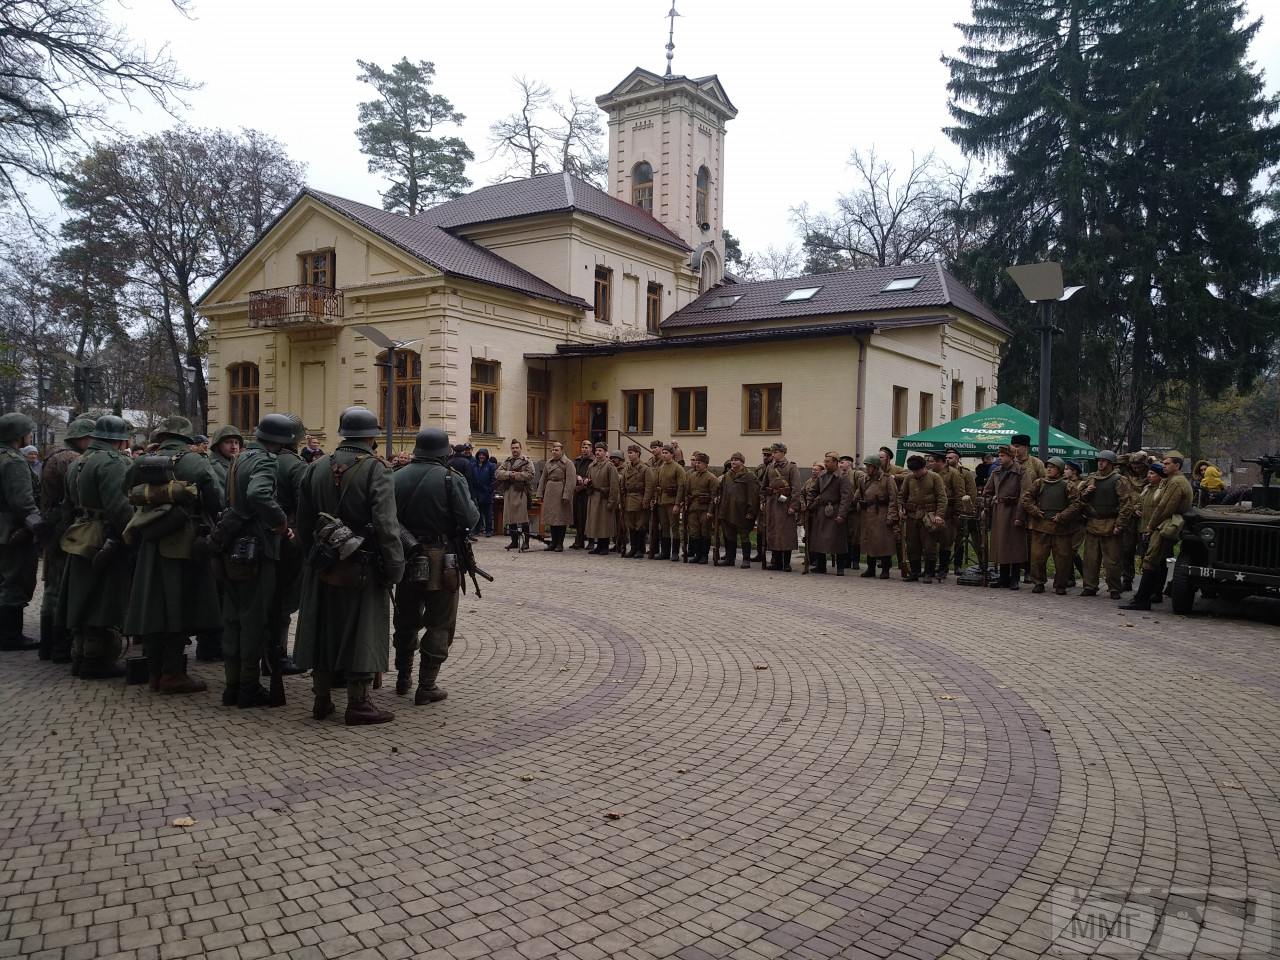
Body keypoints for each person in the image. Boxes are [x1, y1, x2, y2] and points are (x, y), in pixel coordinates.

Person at [295, 406, 405, 725]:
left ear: (344, 434)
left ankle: (321, 699)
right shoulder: (377, 469)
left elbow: (303, 523)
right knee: (363, 629)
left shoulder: (314, 468)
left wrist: (313, 557)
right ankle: (358, 704)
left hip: (323, 563)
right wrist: (394, 566)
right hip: (363, 565)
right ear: (371, 436)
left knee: (323, 627)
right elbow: (386, 524)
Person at [122, 416, 223, 693]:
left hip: (150, 540)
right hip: (184, 542)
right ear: (187, 438)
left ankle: (155, 673)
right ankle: (173, 673)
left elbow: (125, 491)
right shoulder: (196, 462)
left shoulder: (142, 461)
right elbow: (216, 499)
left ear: (162, 436)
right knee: (179, 606)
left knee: (153, 606)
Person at [392, 427, 478, 704]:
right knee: (440, 622)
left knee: (405, 619)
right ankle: (426, 685)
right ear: (443, 453)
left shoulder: (396, 477)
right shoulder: (451, 479)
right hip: (443, 560)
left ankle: (403, 677)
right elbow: (470, 519)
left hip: (406, 556)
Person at [218, 414, 296, 708]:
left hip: (231, 544)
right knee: (253, 619)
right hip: (256, 547)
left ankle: (232, 685)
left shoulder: (241, 457)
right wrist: (280, 523)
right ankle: (249, 687)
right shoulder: (266, 460)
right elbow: (259, 493)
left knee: (233, 618)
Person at [60, 415, 135, 677]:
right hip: (105, 536)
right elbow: (119, 507)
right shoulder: (112, 462)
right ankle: (97, 659)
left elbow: (68, 503)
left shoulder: (78, 462)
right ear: (119, 439)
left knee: (83, 595)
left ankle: (80, 655)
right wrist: (132, 534)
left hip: (80, 533)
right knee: (103, 597)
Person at [37, 417, 95, 661]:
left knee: (52, 585)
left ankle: (49, 644)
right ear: (83, 438)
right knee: (61, 586)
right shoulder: (71, 459)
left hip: (53, 525)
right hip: (64, 527)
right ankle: (60, 645)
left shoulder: (54, 455)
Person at [1121, 451, 1193, 611]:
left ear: (1177, 465)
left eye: (1167, 463)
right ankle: (1143, 597)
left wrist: (1151, 526)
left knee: (1151, 560)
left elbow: (1164, 507)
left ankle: (1142, 599)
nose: (1164, 466)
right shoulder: (1175, 481)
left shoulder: (1176, 482)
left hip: (1164, 524)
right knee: (1152, 560)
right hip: (1164, 523)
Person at [266, 413, 307, 676]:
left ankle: (264, 653)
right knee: (283, 600)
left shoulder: (250, 459)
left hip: (258, 538)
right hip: (287, 538)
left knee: (266, 598)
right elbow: (306, 505)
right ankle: (277, 655)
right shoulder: (295, 465)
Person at [0, 413, 44, 650]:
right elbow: (22, 502)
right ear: (18, 434)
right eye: (28, 430)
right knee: (15, 580)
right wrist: (38, 524)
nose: (30, 435)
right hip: (13, 529)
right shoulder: (14, 461)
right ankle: (10, 636)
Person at [1077, 450, 1137, 599]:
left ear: (1111, 464)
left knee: (1112, 561)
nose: (1100, 463)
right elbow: (1079, 500)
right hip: (1093, 522)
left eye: (1104, 461)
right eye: (1099, 461)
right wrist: (1086, 493)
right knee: (1090, 559)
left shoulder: (1119, 480)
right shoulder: (1091, 478)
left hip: (1111, 523)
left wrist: (1120, 524)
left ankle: (1114, 588)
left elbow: (1126, 504)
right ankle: (1089, 586)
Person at [1020, 456, 1082, 594]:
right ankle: (1038, 582)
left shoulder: (1068, 485)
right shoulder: (1039, 483)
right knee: (1037, 557)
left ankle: (1060, 585)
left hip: (1061, 529)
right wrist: (1035, 511)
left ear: (1059, 470)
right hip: (1040, 526)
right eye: (1047, 466)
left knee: (1062, 559)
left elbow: (1076, 504)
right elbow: (1026, 499)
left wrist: (1062, 516)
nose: (1048, 469)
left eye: (1052, 467)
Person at [899, 454, 948, 583]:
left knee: (929, 546)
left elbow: (942, 498)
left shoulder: (935, 477)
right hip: (912, 516)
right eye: (913, 471)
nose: (916, 473)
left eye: (918, 470)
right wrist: (901, 508)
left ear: (923, 467)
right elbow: (902, 496)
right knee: (912, 545)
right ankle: (914, 572)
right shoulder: (909, 478)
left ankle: (929, 572)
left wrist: (939, 515)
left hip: (928, 516)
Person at [982, 445, 1026, 589]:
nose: (999, 458)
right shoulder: (996, 471)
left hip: (1014, 510)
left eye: (1003, 455)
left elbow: (1025, 495)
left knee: (1015, 545)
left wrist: (1020, 516)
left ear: (1011, 457)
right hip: (999, 511)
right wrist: (989, 502)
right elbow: (987, 491)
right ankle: (1003, 577)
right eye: (999, 455)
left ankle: (1015, 578)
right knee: (1001, 545)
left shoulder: (1021, 471)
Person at [804, 452, 853, 575]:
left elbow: (846, 498)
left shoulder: (842, 477)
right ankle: (821, 566)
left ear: (835, 462)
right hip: (821, 510)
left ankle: (840, 567)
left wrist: (841, 514)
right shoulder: (822, 475)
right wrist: (809, 502)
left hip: (835, 510)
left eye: (828, 461)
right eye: (825, 461)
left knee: (838, 540)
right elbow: (813, 491)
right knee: (819, 539)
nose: (825, 463)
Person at [761, 443, 804, 571]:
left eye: (776, 452)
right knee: (773, 532)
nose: (773, 455)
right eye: (772, 452)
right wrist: (763, 500)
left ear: (783, 452)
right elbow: (763, 486)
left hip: (786, 504)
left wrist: (793, 506)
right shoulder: (770, 467)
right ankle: (776, 562)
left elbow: (796, 488)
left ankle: (786, 563)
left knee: (786, 534)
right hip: (772, 504)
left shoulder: (792, 468)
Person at [858, 455, 899, 578]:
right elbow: (859, 494)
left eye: (869, 466)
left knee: (883, 542)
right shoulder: (864, 479)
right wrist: (859, 504)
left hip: (882, 512)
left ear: (875, 467)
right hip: (868, 513)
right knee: (869, 541)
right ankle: (871, 568)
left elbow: (893, 498)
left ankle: (885, 569)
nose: (867, 469)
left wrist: (891, 515)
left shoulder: (887, 479)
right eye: (866, 466)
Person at [928, 452, 965, 582]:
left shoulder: (953, 473)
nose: (929, 464)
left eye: (932, 461)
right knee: (931, 541)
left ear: (940, 462)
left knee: (945, 542)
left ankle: (943, 569)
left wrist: (958, 513)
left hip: (948, 512)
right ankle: (931, 568)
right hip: (932, 511)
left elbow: (960, 494)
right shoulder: (930, 474)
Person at [717, 452, 758, 569]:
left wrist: (751, 511)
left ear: (742, 462)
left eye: (736, 460)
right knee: (729, 536)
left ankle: (746, 560)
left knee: (744, 536)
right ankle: (730, 559)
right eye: (732, 460)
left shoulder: (749, 476)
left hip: (742, 511)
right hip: (727, 510)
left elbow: (753, 495)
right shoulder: (727, 475)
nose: (733, 462)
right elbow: (721, 490)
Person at [496, 439, 534, 552]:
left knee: (523, 518)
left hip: (521, 491)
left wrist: (516, 476)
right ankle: (514, 541)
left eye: (517, 448)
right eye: (513, 448)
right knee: (510, 517)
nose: (515, 450)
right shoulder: (507, 461)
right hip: (509, 491)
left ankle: (526, 542)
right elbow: (498, 473)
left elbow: (530, 475)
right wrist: (509, 474)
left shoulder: (526, 461)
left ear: (520, 448)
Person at [536, 441, 575, 551]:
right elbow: (543, 478)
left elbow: (571, 480)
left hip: (561, 491)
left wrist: (566, 495)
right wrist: (540, 493)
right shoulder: (548, 463)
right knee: (552, 519)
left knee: (560, 519)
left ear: (562, 451)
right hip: (550, 491)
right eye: (552, 450)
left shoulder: (568, 463)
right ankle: (553, 542)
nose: (554, 452)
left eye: (556, 450)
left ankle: (560, 543)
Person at [651, 444, 687, 561]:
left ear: (672, 454)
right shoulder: (661, 468)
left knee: (674, 527)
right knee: (664, 527)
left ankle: (675, 552)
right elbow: (656, 484)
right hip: (662, 501)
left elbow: (681, 487)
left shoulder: (678, 468)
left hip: (672, 501)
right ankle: (665, 552)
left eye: (667, 453)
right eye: (663, 453)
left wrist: (677, 504)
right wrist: (655, 497)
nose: (664, 455)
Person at [946, 449, 979, 574]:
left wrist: (968, 510)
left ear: (957, 459)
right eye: (947, 458)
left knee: (959, 539)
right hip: (946, 510)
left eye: (951, 458)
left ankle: (957, 565)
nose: (948, 460)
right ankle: (943, 565)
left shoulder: (965, 474)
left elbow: (972, 492)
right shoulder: (942, 473)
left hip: (961, 510)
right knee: (945, 538)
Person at [683, 451, 720, 564]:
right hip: (693, 508)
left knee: (705, 532)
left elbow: (714, 496)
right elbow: (687, 492)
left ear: (706, 464)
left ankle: (704, 555)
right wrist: (685, 504)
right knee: (694, 532)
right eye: (696, 462)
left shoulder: (711, 478)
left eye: (700, 463)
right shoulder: (691, 476)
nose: (697, 464)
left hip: (705, 509)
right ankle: (697, 555)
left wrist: (710, 511)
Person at [584, 443, 620, 555]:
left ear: (605, 452)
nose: (598, 453)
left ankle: (604, 545)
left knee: (604, 523)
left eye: (600, 450)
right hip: (594, 496)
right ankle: (598, 545)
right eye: (596, 450)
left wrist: (612, 501)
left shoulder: (610, 467)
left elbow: (614, 486)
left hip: (604, 497)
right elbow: (588, 477)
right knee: (595, 522)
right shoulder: (591, 466)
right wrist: (587, 482)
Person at [208, 425, 244, 500]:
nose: (234, 446)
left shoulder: (236, 463)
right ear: (217, 445)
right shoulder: (215, 466)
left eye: (236, 442)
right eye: (228, 442)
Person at [569, 439, 594, 549]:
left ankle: (591, 541)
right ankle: (579, 541)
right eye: (583, 447)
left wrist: (585, 481)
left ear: (591, 449)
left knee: (588, 518)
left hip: (588, 492)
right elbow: (571, 473)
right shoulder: (577, 460)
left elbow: (594, 476)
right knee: (578, 517)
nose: (584, 449)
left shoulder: (593, 462)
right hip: (578, 493)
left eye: (587, 447)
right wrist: (576, 477)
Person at [470, 448, 496, 536]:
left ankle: (488, 530)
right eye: (480, 455)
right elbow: (472, 479)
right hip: (476, 492)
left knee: (488, 513)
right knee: (477, 513)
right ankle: (477, 529)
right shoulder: (473, 465)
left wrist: (489, 490)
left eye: (483, 455)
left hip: (487, 493)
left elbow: (494, 480)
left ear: (486, 456)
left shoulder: (491, 466)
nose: (481, 456)